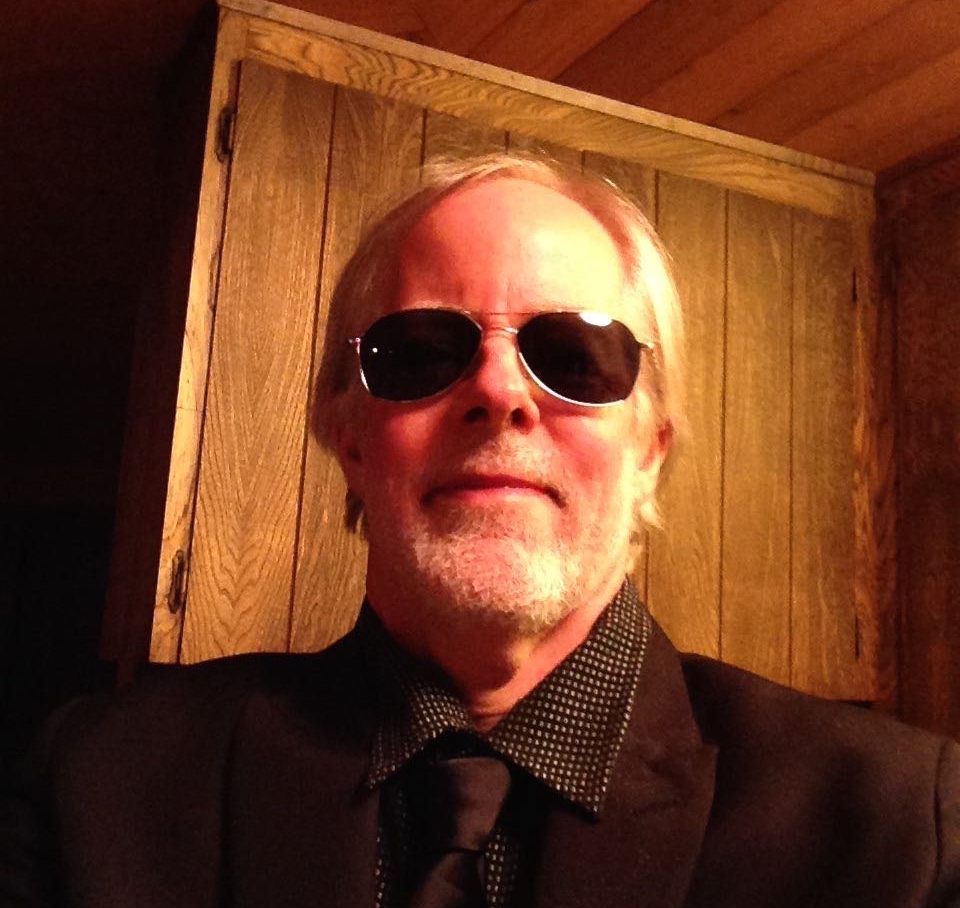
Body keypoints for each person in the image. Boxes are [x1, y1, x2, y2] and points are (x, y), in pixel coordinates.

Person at [2, 154, 958, 907]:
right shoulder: (97, 782)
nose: (499, 391)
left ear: (649, 450)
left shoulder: (910, 832)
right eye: (421, 351)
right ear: (350, 440)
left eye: (574, 356)